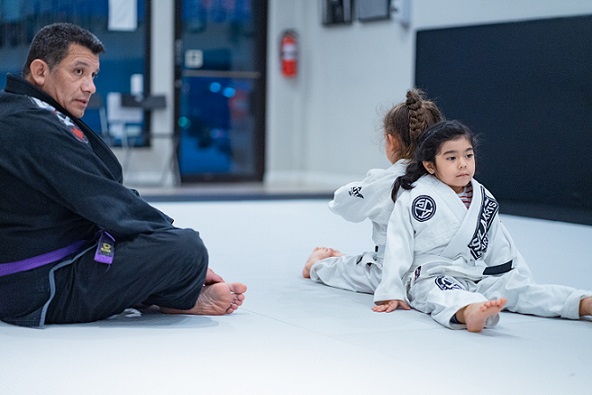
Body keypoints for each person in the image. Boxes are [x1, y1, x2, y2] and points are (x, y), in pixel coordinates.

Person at [0, 23, 246, 327]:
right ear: (40, 71)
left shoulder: (24, 112)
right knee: (187, 248)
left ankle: (157, 291)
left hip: (39, 273)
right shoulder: (30, 124)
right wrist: (176, 248)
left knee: (165, 243)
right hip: (41, 287)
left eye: (93, 76)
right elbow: (104, 199)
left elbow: (104, 194)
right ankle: (169, 296)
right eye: (78, 72)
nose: (89, 86)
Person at [372, 120, 592, 332]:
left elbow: (500, 242)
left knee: (521, 291)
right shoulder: (417, 197)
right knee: (443, 293)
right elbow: (397, 244)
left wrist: (515, 275)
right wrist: (391, 289)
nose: (463, 164)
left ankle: (582, 303)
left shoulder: (483, 197)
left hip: (476, 274)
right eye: (451, 158)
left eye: (468, 155)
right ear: (430, 165)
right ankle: (470, 312)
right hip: (430, 275)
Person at [302, 89, 444, 293]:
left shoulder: (384, 182)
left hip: (390, 270)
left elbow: (342, 204)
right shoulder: (451, 180)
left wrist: (362, 187)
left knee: (345, 269)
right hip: (442, 267)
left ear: (391, 141)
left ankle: (315, 266)